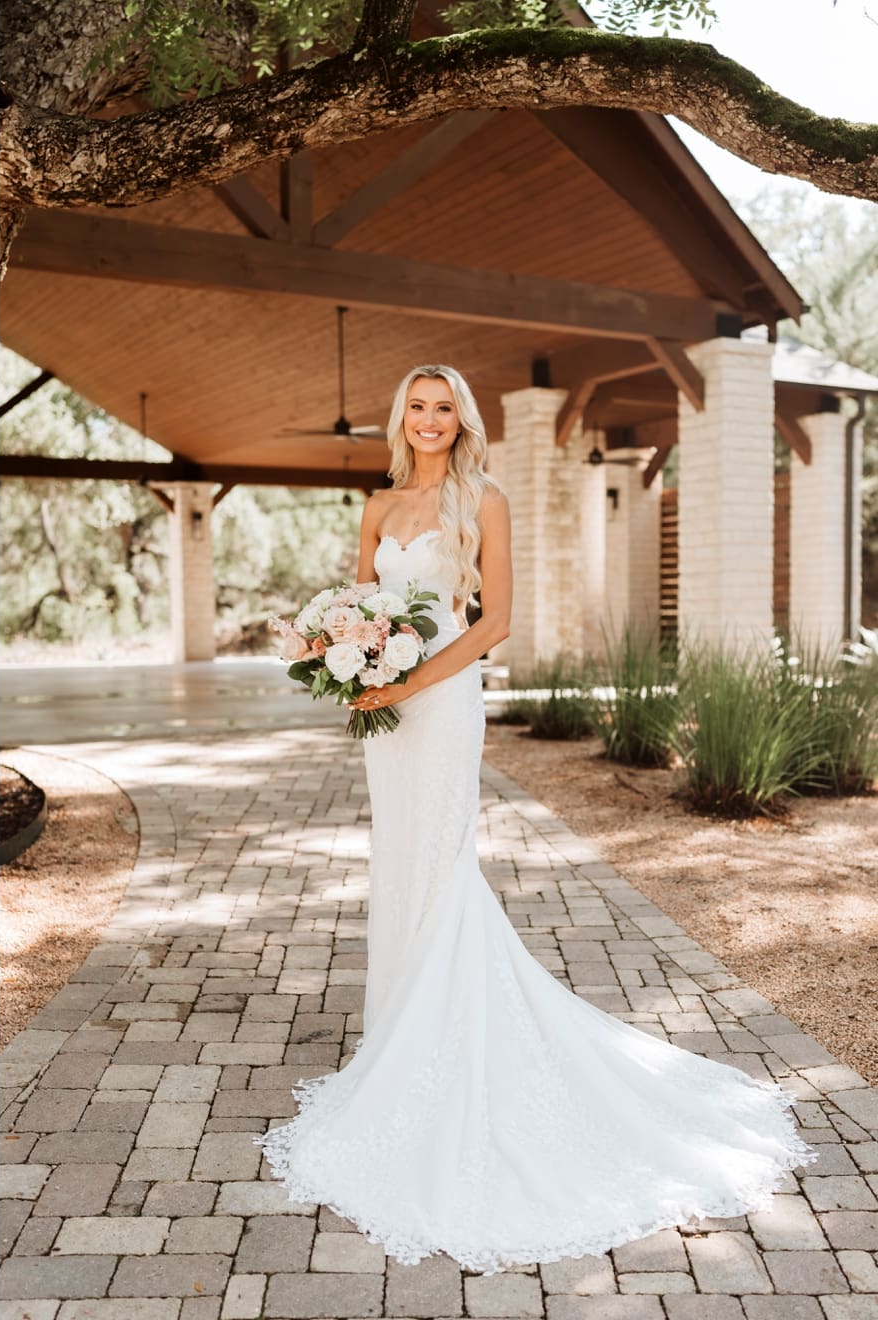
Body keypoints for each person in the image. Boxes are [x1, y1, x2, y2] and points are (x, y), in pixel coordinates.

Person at [259, 364, 814, 1272]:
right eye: (418, 408)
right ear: (400, 419)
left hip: (440, 698)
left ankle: (447, 1043)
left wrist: (404, 676)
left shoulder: (487, 500)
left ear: (460, 420)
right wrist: (343, 659)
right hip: (383, 712)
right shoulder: (376, 506)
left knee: (440, 858)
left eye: (444, 409)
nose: (431, 420)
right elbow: (358, 603)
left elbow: (494, 622)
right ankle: (397, 1035)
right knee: (398, 860)